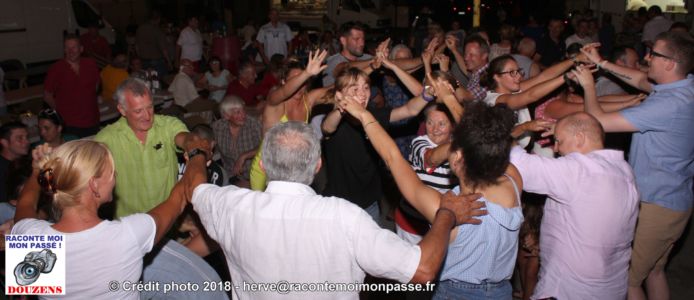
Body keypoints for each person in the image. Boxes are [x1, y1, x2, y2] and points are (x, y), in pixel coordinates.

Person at [191, 121, 487, 299]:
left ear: (264, 165)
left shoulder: (230, 205)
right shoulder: (344, 217)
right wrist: (446, 212)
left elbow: (194, 187)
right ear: (317, 166)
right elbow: (422, 270)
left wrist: (196, 152)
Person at [341, 97, 523, 299]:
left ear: (457, 158)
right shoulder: (513, 184)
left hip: (454, 294)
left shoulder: (446, 208)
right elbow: (486, 141)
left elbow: (393, 157)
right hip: (502, 292)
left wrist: (364, 115)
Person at [11, 137, 208, 299]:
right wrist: (198, 154)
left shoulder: (32, 238)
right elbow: (179, 198)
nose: (116, 177)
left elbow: (25, 204)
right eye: (112, 172)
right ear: (94, 185)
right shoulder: (128, 236)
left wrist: (38, 169)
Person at [579, 32, 694, 300]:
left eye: (654, 54)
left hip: (657, 205)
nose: (646, 58)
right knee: (654, 271)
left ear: (669, 64)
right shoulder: (684, 86)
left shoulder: (669, 105)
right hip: (675, 200)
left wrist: (588, 85)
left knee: (628, 281)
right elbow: (641, 79)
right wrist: (603, 63)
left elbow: (598, 122)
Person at [511, 111, 639, 298]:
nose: (556, 149)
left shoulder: (579, 171)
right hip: (611, 288)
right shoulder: (624, 170)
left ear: (579, 138)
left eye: (559, 141)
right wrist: (565, 130)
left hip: (569, 290)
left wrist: (520, 129)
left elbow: (511, 159)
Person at [321, 65, 429, 220]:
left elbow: (409, 110)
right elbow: (327, 128)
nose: (363, 93)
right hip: (339, 204)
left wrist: (427, 94)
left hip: (369, 202)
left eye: (366, 87)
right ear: (339, 95)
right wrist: (340, 109)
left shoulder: (373, 114)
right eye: (354, 88)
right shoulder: (335, 119)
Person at [95, 78, 189, 218]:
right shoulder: (107, 139)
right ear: (122, 110)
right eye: (138, 111)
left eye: (150, 107)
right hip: (129, 227)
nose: (147, 116)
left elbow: (185, 138)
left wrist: (193, 144)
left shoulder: (167, 125)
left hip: (168, 221)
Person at [249, 50, 331, 190]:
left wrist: (372, 66)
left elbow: (338, 89)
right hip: (265, 170)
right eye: (295, 79)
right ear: (284, 81)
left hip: (296, 170)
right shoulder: (275, 101)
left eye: (304, 81)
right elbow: (285, 91)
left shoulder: (308, 101)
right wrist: (306, 73)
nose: (301, 84)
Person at [44, 35, 101, 138]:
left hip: (92, 120)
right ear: (64, 50)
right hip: (69, 124)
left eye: (74, 47)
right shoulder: (56, 69)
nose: (71, 51)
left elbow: (96, 87)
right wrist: (61, 112)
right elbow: (47, 95)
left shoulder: (90, 64)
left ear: (81, 49)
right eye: (67, 48)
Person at [212, 96, 262, 188]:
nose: (243, 115)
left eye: (243, 111)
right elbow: (211, 146)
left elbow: (264, 147)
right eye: (237, 112)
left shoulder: (253, 124)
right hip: (230, 175)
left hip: (253, 175)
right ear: (226, 115)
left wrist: (244, 156)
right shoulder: (218, 127)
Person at [0, 122, 29, 203]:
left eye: (26, 137)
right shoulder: (2, 169)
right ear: (5, 143)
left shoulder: (26, 162)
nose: (26, 142)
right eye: (20, 138)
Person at [136, 11, 171, 77]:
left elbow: (136, 47)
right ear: (158, 19)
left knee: (147, 80)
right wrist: (169, 62)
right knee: (160, 80)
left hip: (143, 60)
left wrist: (140, 57)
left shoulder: (140, 29)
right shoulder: (157, 30)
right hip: (157, 62)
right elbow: (164, 50)